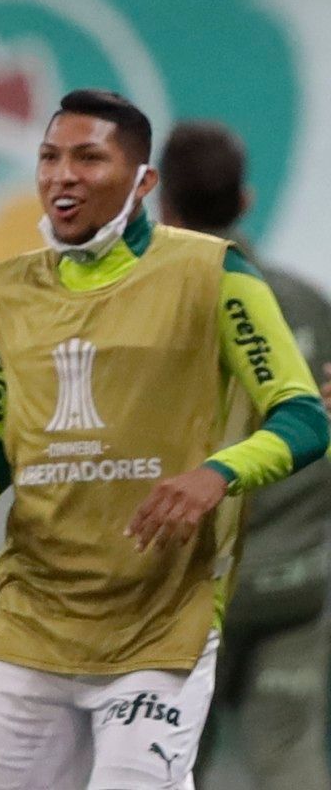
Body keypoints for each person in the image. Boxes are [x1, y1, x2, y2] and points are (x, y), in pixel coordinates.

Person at [0, 91, 331, 789]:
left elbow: (304, 417)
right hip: (30, 624)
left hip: (161, 625)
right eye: (49, 157)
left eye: (87, 157)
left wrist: (215, 474)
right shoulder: (10, 290)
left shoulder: (214, 274)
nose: (61, 174)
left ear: (143, 182)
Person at [158, 120, 331, 790]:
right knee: (288, 757)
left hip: (190, 588)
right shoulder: (311, 306)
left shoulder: (150, 310)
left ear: (161, 202)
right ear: (247, 201)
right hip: (296, 584)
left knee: (164, 764)